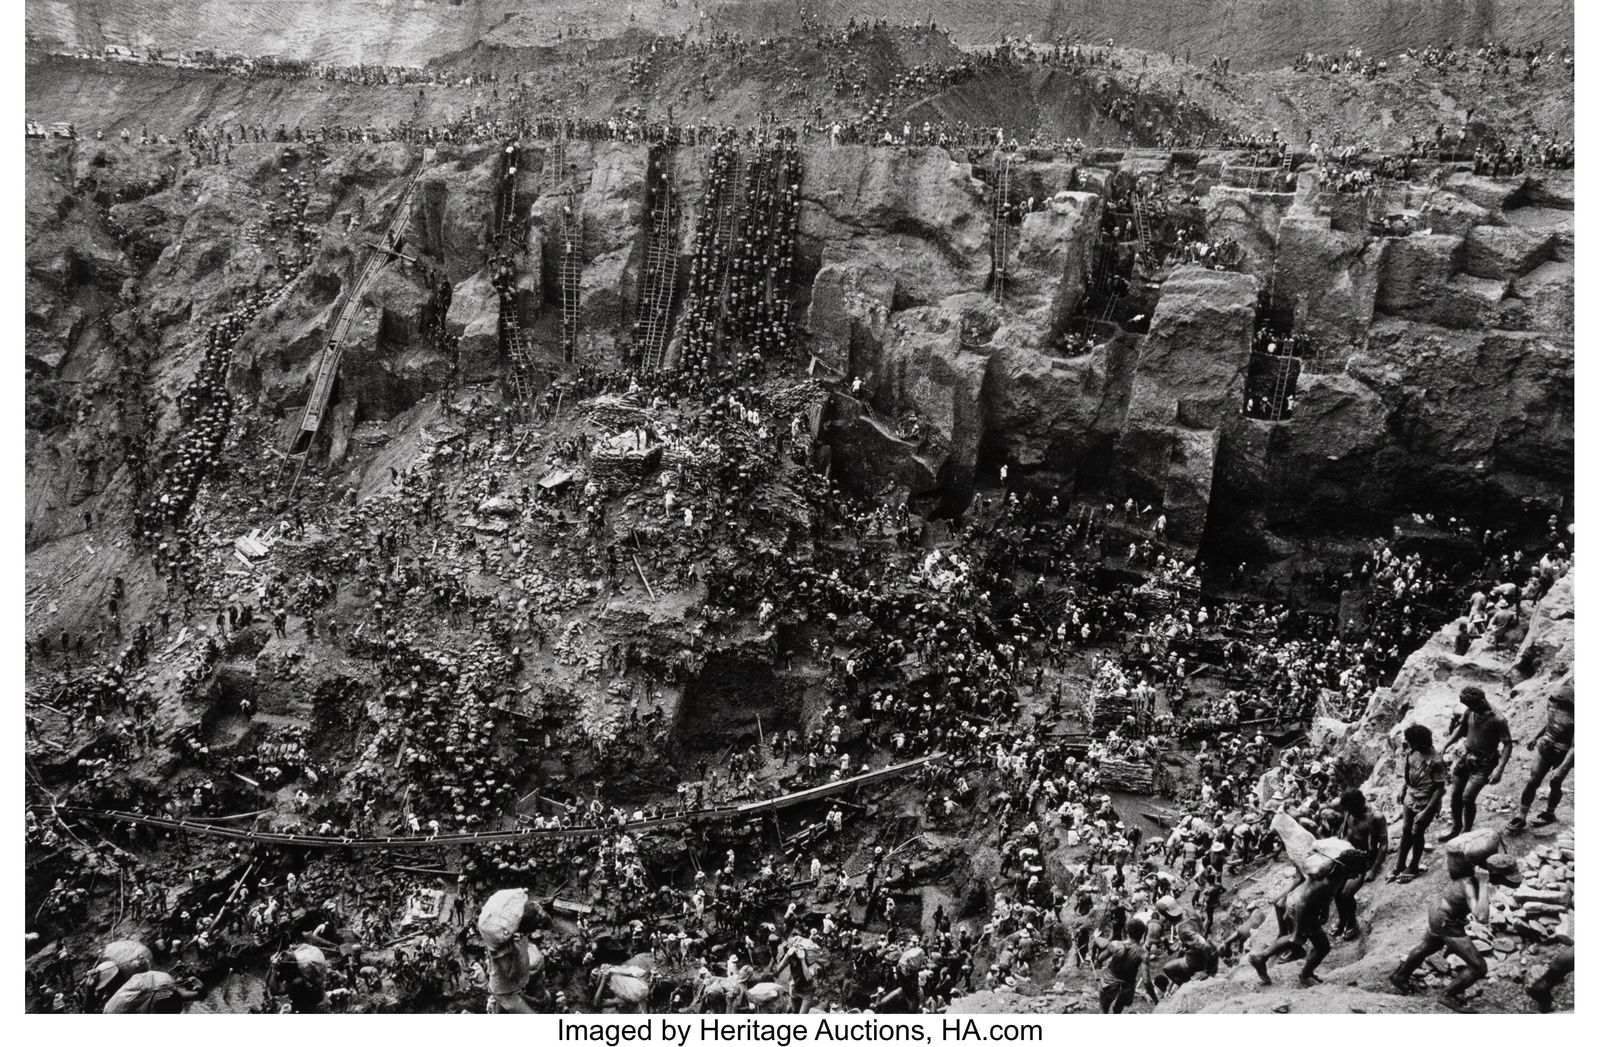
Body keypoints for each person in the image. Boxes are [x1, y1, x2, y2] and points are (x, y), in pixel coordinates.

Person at [1390, 852, 1521, 1009]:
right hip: (1446, 920)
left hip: (1439, 911)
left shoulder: (1473, 877)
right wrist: (1484, 884)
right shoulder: (1470, 884)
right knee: (1478, 967)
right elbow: (1481, 917)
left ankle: (1400, 976)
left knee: (1431, 945)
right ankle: (1447, 995)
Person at [1248, 841, 1363, 986]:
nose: (1356, 876)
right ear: (1346, 867)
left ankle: (1260, 958)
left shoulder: (1339, 873)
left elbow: (1332, 894)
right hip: (1302, 908)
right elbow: (1303, 903)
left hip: (1303, 904)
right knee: (1322, 947)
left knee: (1298, 938)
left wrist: (1325, 910)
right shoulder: (1325, 882)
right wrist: (1298, 929)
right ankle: (1305, 975)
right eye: (1355, 872)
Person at [1439, 686, 1514, 842]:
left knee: (1467, 798)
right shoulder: (1470, 711)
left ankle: (1467, 831)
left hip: (1484, 763)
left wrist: (1499, 768)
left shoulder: (1498, 719)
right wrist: (1446, 744)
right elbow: (1462, 729)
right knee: (1455, 796)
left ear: (1481, 701)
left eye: (1472, 705)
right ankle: (1456, 827)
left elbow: (1507, 744)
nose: (1469, 709)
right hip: (1465, 758)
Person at [1509, 678, 1574, 830]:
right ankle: (1521, 815)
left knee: (1555, 782)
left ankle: (1549, 813)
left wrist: (1562, 769)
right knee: (1533, 781)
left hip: (1564, 752)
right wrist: (1536, 737)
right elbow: (1552, 723)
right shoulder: (1554, 705)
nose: (1553, 701)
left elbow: (1574, 747)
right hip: (1546, 745)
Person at [1392, 723, 1446, 882]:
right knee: (1406, 829)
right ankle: (1400, 864)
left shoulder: (1435, 761)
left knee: (1417, 832)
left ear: (1422, 743)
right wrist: (1404, 788)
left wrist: (1426, 811)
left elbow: (1439, 789)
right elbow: (1408, 775)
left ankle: (1414, 866)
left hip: (1427, 800)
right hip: (1411, 796)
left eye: (1411, 741)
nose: (1408, 744)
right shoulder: (1412, 752)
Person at [1331, 789, 1388, 940]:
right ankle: (1342, 920)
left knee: (1346, 894)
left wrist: (1373, 870)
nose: (1348, 812)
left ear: (1359, 805)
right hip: (1347, 854)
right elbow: (1343, 833)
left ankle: (1352, 923)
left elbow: (1383, 845)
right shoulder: (1350, 812)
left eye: (1350, 809)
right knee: (1336, 891)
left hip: (1364, 860)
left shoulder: (1376, 817)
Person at [1095, 916, 1156, 1013]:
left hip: (1109, 983)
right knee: (1118, 1009)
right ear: (1142, 933)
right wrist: (1156, 1000)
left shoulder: (1115, 945)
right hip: (1127, 987)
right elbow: (1146, 981)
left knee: (1103, 1009)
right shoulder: (1143, 953)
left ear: (1127, 931)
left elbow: (1100, 958)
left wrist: (1099, 973)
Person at [1525, 946, 1574, 1012]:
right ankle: (1540, 993)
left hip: (1561, 962)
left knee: (1555, 971)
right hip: (1564, 962)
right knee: (1556, 972)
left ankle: (1539, 991)